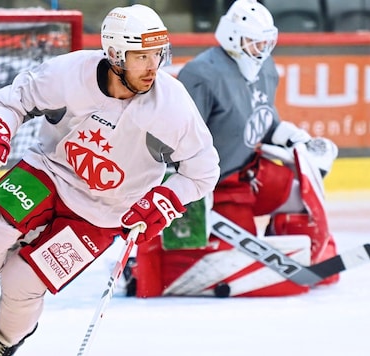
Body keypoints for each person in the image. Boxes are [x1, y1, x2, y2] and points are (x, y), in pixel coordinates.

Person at [0, 4, 220, 355]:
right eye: (141, 57)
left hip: (107, 212)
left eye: (157, 55)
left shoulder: (172, 105)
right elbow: (15, 99)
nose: (153, 67)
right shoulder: (70, 72)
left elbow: (204, 169)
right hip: (50, 172)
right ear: (115, 55)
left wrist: (165, 198)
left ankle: (3, 341)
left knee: (22, 280)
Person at [130, 0, 340, 298]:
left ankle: (299, 247)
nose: (262, 50)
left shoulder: (265, 67)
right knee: (238, 253)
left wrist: (297, 141)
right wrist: (188, 194)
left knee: (299, 191)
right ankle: (140, 268)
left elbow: (264, 122)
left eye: (266, 42)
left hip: (249, 171)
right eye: (254, 43)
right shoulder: (203, 74)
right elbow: (175, 140)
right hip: (218, 184)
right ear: (231, 36)